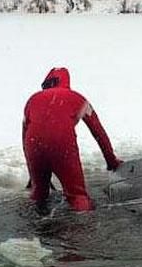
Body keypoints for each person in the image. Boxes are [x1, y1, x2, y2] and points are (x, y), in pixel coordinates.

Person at [23, 67, 122, 213]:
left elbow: (25, 137)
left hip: (33, 147)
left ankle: (32, 231)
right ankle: (83, 231)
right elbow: (98, 132)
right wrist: (111, 161)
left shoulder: (32, 100)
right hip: (62, 145)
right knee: (78, 197)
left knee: (39, 194)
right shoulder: (77, 98)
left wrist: (33, 171)